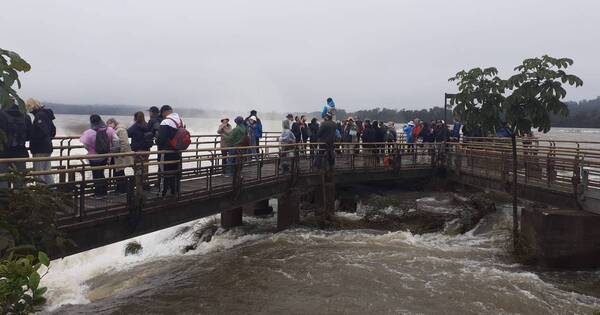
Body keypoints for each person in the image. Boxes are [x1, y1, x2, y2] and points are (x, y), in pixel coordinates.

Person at [80, 114, 118, 198]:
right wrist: (111, 150)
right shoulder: (109, 130)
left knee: (96, 174)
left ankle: (98, 193)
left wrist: (90, 150)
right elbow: (116, 140)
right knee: (101, 172)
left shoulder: (88, 132)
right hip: (105, 156)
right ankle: (103, 192)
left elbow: (85, 145)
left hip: (93, 157)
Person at [0, 100, 32, 188]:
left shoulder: (1, 114)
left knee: (2, 178)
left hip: (2, 153)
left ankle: (4, 199)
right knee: (20, 178)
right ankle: (20, 199)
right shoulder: (25, 115)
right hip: (20, 152)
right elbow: (29, 135)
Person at [26, 98, 56, 185]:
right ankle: (52, 193)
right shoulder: (46, 115)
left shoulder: (39, 116)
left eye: (28, 107)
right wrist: (48, 139)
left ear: (31, 106)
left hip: (39, 148)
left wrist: (32, 137)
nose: (28, 110)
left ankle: (41, 195)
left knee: (39, 173)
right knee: (46, 172)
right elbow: (53, 131)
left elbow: (41, 132)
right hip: (47, 147)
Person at [157, 105, 184, 197]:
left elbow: (161, 139)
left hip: (166, 151)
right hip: (177, 151)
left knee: (164, 172)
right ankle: (174, 191)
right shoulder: (180, 121)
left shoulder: (165, 122)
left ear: (164, 112)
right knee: (175, 172)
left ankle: (162, 193)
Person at [128, 111, 154, 189]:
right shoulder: (147, 125)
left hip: (137, 150)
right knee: (145, 166)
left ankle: (139, 185)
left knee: (137, 168)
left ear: (135, 118)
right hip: (146, 150)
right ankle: (145, 183)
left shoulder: (135, 126)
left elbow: (128, 133)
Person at [107, 118, 133, 194]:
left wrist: (121, 153)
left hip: (120, 155)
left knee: (119, 172)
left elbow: (124, 142)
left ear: (113, 123)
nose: (108, 126)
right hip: (117, 155)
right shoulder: (117, 130)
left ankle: (121, 189)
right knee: (117, 172)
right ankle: (119, 189)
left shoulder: (120, 130)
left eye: (109, 124)